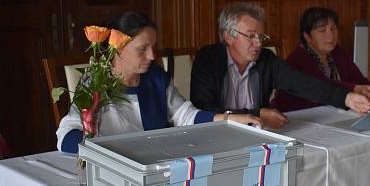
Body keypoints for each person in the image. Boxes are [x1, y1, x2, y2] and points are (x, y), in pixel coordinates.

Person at [56, 12, 261, 153]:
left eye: (153, 47)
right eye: (142, 49)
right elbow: (67, 135)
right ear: (117, 48)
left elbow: (186, 115)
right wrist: (102, 152)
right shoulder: (95, 83)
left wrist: (231, 119)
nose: (152, 55)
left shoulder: (156, 78)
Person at [190, 2, 370, 129]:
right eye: (251, 36)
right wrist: (257, 113)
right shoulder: (208, 59)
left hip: (257, 137)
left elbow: (303, 83)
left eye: (261, 37)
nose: (258, 43)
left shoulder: (266, 59)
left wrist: (346, 98)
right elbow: (203, 111)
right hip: (217, 140)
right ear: (228, 36)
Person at [272, 7, 370, 113]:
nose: (331, 36)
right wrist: (355, 89)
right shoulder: (298, 58)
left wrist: (369, 93)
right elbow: (321, 86)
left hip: (330, 115)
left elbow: (359, 80)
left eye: (333, 28)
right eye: (322, 31)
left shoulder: (337, 51)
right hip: (294, 117)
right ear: (307, 36)